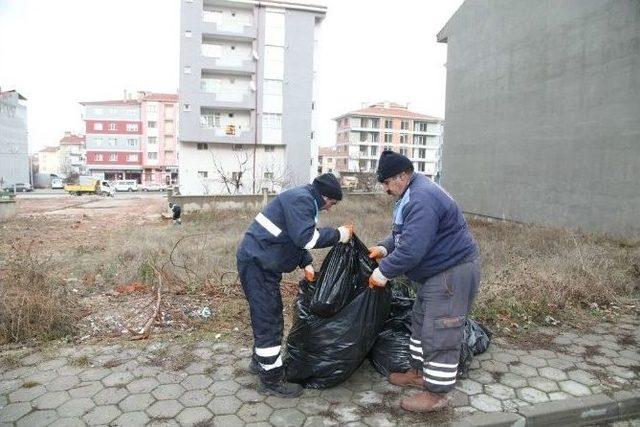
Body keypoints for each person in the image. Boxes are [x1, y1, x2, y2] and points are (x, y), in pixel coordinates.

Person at [367, 150, 480, 413]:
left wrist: (382, 273)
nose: (385, 189)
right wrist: (384, 248)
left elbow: (411, 250)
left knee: (440, 330)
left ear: (402, 176)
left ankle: (437, 394)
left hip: (451, 272)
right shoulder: (411, 193)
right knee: (419, 323)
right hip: (435, 273)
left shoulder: (422, 198)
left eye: (386, 183)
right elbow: (405, 234)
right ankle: (418, 373)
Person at [236, 173, 353, 398]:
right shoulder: (302, 200)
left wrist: (306, 262)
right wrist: (340, 234)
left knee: (266, 315)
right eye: (332, 203)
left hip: (260, 261)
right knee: (268, 318)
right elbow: (305, 238)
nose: (330, 208)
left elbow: (287, 237)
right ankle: (271, 380)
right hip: (257, 265)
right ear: (325, 196)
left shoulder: (303, 198)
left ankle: (260, 362)